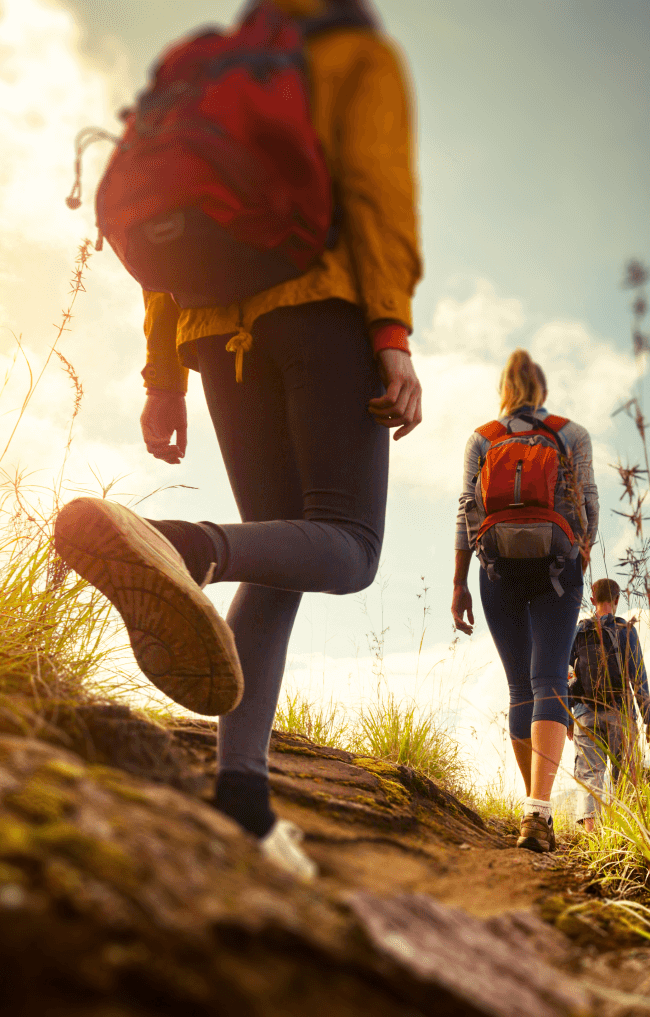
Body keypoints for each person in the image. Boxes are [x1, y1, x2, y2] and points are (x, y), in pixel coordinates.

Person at [54, 0, 421, 882]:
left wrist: (163, 378)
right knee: (350, 545)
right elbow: (376, 191)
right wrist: (393, 336)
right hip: (320, 314)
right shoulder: (351, 55)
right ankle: (184, 548)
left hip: (213, 333)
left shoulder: (214, 63)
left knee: (282, 556)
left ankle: (243, 802)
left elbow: (170, 240)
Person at [452, 350, 597, 853]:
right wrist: (579, 559)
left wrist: (460, 583)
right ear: (542, 389)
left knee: (520, 689)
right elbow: (589, 505)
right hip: (559, 567)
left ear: (504, 389)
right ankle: (539, 807)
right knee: (550, 680)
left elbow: (464, 513)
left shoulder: (482, 438)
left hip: (496, 571)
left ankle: (533, 808)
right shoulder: (570, 433)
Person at [568, 579, 650, 831]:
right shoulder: (626, 630)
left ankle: (592, 837)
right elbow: (638, 676)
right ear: (617, 600)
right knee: (626, 775)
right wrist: (649, 719)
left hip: (585, 713)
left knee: (589, 774)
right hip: (621, 712)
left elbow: (567, 675)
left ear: (592, 599)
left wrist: (567, 718)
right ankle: (625, 836)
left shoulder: (576, 632)